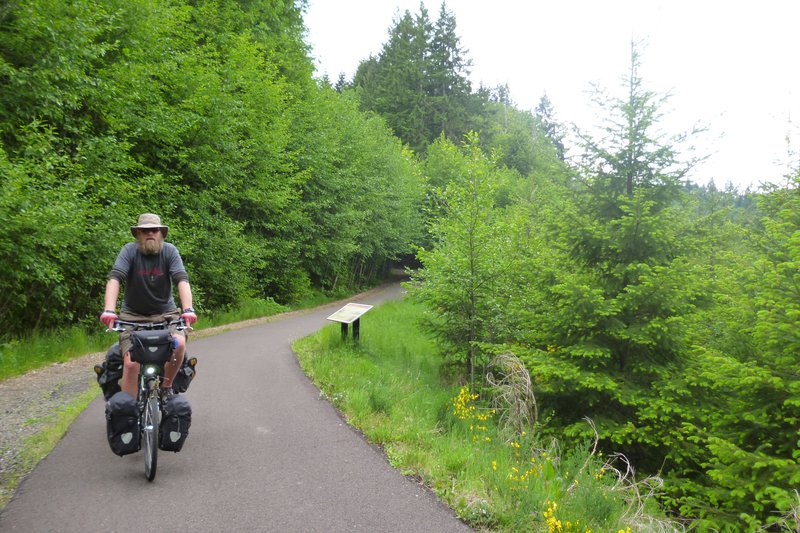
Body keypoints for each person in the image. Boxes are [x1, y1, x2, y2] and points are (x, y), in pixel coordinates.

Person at [99, 213, 197, 398]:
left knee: (180, 344)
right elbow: (115, 278)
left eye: (155, 230)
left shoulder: (169, 251)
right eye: (145, 231)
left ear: (161, 233)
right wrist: (109, 310)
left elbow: (181, 280)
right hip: (132, 316)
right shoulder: (129, 251)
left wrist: (188, 309)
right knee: (130, 363)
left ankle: (166, 388)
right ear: (138, 234)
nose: (150, 233)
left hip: (166, 314)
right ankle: (129, 411)